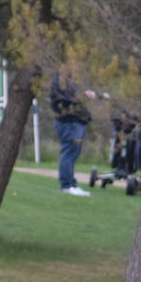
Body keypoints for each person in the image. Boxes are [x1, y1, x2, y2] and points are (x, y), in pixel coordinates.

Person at [49, 67, 95, 197]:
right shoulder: (59, 80)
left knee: (73, 153)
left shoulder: (72, 80)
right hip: (68, 122)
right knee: (68, 152)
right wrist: (80, 97)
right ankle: (67, 185)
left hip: (77, 121)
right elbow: (59, 100)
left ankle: (72, 184)